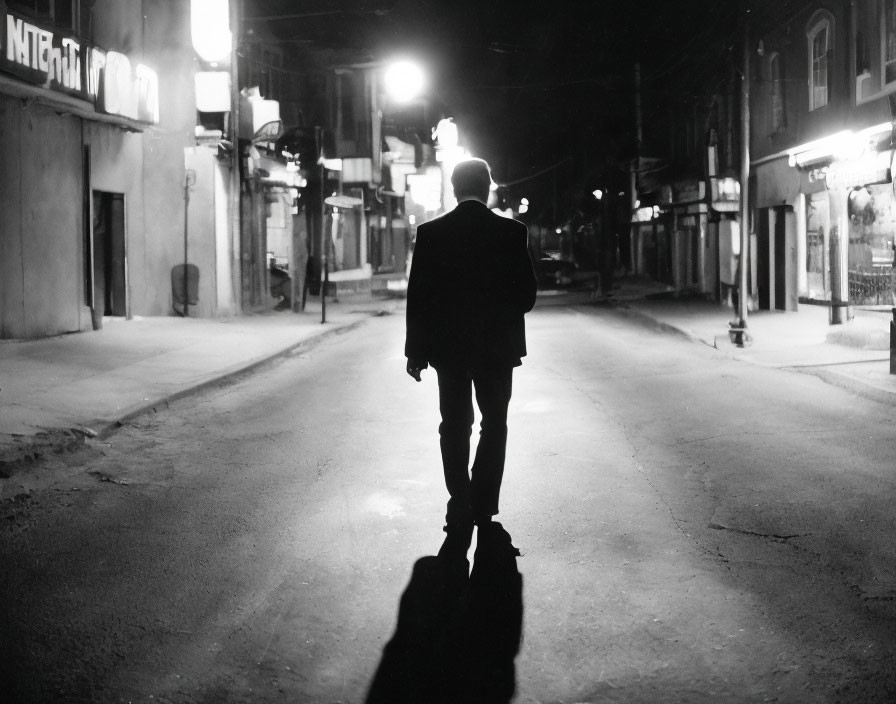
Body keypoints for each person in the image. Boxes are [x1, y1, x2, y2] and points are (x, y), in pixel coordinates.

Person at [405, 158, 537, 548]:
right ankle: (484, 503)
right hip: (497, 349)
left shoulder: (431, 233)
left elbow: (419, 298)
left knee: (455, 423)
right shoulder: (512, 232)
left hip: (450, 349)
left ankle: (459, 496)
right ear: (489, 185)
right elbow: (526, 297)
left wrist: (416, 350)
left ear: (453, 186)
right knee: (494, 423)